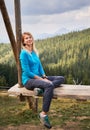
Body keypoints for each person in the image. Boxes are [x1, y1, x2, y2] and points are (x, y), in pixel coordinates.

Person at [20, 32, 65, 129]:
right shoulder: (23, 54)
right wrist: (43, 80)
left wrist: (44, 76)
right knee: (49, 85)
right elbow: (27, 72)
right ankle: (43, 114)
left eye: (30, 37)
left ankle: (40, 89)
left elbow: (39, 66)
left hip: (39, 78)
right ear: (23, 42)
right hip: (29, 80)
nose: (29, 39)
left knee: (61, 78)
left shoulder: (34, 52)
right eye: (26, 38)